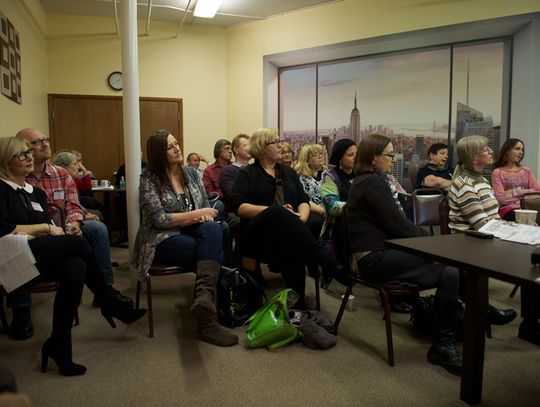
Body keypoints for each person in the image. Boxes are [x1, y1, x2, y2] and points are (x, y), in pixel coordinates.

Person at [0, 137, 146, 376]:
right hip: (9, 257)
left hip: (39, 254)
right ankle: (109, 300)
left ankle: (60, 344)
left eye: (29, 153)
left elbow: (47, 221)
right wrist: (46, 229)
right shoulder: (2, 189)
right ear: (6, 161)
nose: (29, 157)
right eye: (22, 155)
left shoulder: (35, 192)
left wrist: (53, 228)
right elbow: (5, 229)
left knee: (75, 267)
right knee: (76, 244)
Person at [348, 134, 461, 372]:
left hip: (383, 252)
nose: (393, 159)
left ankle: (461, 322)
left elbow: (397, 225)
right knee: (450, 268)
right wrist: (432, 245)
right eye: (390, 155)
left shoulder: (371, 180)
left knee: (451, 267)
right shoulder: (371, 182)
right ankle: (445, 340)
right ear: (373, 157)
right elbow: (396, 225)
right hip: (374, 258)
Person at [12, 128, 123, 339]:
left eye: (45, 140)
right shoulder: (17, 178)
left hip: (64, 225)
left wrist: (75, 223)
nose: (44, 144)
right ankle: (21, 308)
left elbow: (73, 204)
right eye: (36, 143)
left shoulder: (61, 174)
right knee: (19, 245)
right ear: (21, 149)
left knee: (98, 229)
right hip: (32, 233)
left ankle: (105, 287)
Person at [132, 130, 237, 347]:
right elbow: (160, 219)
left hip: (192, 231)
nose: (177, 148)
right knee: (212, 246)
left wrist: (202, 214)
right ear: (159, 154)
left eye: (177, 143)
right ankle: (212, 317)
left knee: (215, 230)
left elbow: (206, 205)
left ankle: (205, 299)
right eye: (170, 147)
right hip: (161, 239)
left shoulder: (191, 173)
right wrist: (197, 215)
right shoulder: (148, 180)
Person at [229, 128, 340, 308]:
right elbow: (239, 207)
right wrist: (275, 211)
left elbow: (303, 200)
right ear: (262, 147)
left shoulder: (288, 172)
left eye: (280, 141)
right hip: (256, 234)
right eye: (276, 142)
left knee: (295, 244)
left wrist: (300, 218)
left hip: (287, 233)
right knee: (277, 212)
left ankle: (299, 305)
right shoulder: (247, 173)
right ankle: (325, 261)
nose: (281, 145)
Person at [446, 136, 540, 343]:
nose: (490, 151)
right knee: (530, 257)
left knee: (534, 253)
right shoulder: (464, 185)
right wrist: (513, 232)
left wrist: (516, 230)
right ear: (473, 157)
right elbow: (481, 224)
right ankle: (529, 325)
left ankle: (531, 322)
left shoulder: (480, 180)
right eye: (485, 149)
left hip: (486, 237)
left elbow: (493, 218)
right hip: (470, 243)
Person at [320, 138, 356, 285]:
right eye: (351, 155)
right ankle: (338, 269)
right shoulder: (330, 177)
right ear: (340, 159)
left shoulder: (363, 175)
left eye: (357, 153)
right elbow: (332, 206)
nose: (356, 158)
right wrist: (358, 207)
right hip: (339, 222)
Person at [294, 144, 326, 277]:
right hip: (311, 209)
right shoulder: (300, 176)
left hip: (329, 207)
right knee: (315, 222)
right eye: (315, 154)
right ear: (307, 160)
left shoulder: (327, 174)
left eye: (321, 153)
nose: (320, 156)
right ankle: (312, 261)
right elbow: (303, 199)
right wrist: (323, 211)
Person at [491, 138, 540, 221]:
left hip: (529, 208)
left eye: (522, 150)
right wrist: (527, 192)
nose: (521, 152)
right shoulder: (497, 172)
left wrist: (515, 191)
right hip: (508, 210)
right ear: (507, 151)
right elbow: (501, 199)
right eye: (517, 149)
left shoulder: (526, 170)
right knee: (526, 220)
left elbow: (537, 191)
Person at [51, 151, 101, 221]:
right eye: (75, 164)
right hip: (61, 219)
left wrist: (85, 214)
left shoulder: (73, 180)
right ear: (64, 167)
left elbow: (74, 203)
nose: (78, 167)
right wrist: (84, 216)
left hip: (73, 215)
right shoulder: (53, 182)